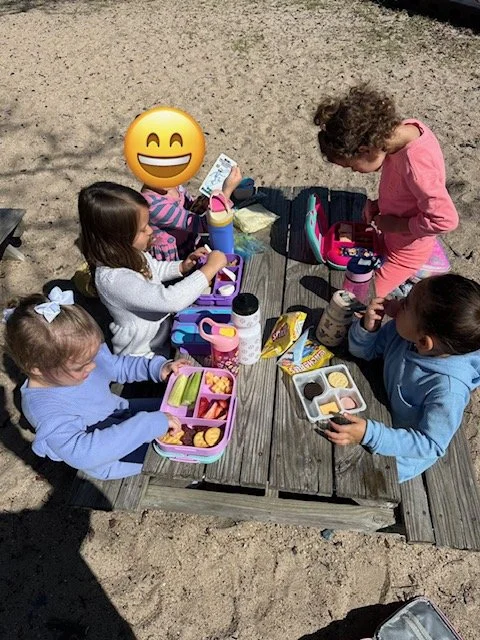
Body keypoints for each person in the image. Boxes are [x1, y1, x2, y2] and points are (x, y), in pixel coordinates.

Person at [3, 288, 186, 480]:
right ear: (37, 369)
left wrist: (157, 368)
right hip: (112, 456)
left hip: (121, 412)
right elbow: (84, 453)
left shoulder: (75, 358)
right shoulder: (44, 408)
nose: (92, 367)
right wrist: (148, 425)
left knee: (185, 411)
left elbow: (117, 367)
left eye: (92, 357)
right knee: (183, 449)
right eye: (81, 366)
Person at [324, 274, 480, 482]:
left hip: (400, 450)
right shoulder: (407, 333)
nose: (397, 301)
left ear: (424, 342)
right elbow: (365, 352)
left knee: (338, 469)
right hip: (379, 407)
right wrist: (368, 329)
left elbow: (430, 445)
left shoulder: (448, 389)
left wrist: (371, 434)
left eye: (406, 304)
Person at [313, 84, 459, 297]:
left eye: (352, 166)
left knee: (363, 298)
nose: (355, 171)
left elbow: (446, 220)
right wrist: (379, 205)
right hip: (391, 234)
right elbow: (404, 189)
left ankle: (409, 282)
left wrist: (397, 224)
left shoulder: (416, 165)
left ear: (365, 150)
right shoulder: (398, 134)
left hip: (406, 252)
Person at [78, 181, 227, 357]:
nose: (150, 231)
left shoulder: (130, 251)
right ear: (118, 238)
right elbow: (170, 300)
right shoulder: (114, 280)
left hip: (164, 335)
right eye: (142, 229)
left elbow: (152, 268)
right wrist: (208, 270)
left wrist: (181, 266)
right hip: (143, 357)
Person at [142, 165, 242, 261]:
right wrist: (226, 191)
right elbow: (205, 225)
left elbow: (191, 211)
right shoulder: (154, 205)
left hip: (190, 239)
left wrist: (204, 203)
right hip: (177, 255)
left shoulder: (173, 186)